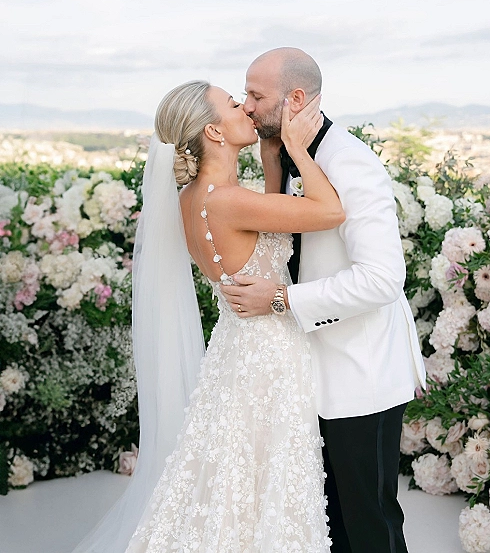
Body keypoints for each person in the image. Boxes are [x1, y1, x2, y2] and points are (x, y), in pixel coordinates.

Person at [74, 79, 343, 553]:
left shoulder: (194, 197)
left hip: (235, 348)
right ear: (215, 132)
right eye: (233, 104)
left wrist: (271, 156)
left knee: (234, 477)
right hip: (270, 355)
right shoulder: (228, 200)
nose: (244, 107)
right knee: (266, 479)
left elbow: (266, 213)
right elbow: (330, 211)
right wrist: (299, 149)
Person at [221, 48, 426, 553]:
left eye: (256, 95)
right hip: (313, 373)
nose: (246, 106)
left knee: (369, 522)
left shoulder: (349, 162)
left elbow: (382, 279)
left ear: (295, 99)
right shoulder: (291, 156)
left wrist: (283, 299)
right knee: (330, 523)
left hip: (361, 374)